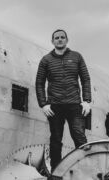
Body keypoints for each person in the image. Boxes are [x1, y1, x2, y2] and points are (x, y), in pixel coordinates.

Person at [35, 29, 91, 172]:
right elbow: (39, 83)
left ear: (67, 40)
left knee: (80, 138)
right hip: (55, 106)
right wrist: (43, 104)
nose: (59, 39)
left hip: (74, 105)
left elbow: (85, 79)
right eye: (56, 38)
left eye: (62, 37)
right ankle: (56, 173)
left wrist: (87, 100)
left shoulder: (77, 57)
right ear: (52, 41)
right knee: (55, 141)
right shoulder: (46, 60)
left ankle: (87, 171)